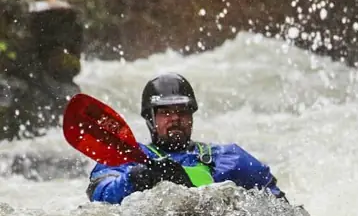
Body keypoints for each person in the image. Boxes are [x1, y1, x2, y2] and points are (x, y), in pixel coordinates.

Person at [87, 72, 283, 203]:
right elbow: (99, 195)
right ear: (150, 118)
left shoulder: (228, 158)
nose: (175, 118)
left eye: (182, 111)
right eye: (165, 112)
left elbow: (277, 202)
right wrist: (135, 178)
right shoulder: (127, 158)